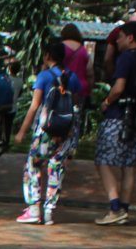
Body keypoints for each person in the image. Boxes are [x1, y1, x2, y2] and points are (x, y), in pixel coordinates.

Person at [12, 40, 85, 225]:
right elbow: (75, 104)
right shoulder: (73, 77)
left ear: (47, 56)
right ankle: (50, 211)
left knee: (34, 165)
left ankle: (34, 208)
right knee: (56, 168)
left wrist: (21, 131)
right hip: (66, 132)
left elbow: (35, 105)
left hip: (46, 130)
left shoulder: (44, 77)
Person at [93, 21, 136, 225]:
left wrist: (106, 101)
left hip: (119, 115)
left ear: (130, 38)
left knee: (103, 161)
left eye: (120, 37)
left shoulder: (126, 58)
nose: (117, 41)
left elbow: (119, 87)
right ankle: (124, 209)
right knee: (129, 165)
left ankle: (114, 208)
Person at [60, 23, 94, 94]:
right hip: (81, 88)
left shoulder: (59, 47)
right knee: (78, 105)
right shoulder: (83, 50)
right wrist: (90, 90)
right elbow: (89, 72)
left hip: (63, 86)